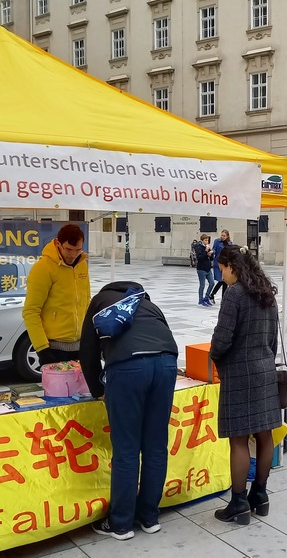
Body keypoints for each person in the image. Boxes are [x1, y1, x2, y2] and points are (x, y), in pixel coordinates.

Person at [79, 281, 178, 541]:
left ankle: (121, 523)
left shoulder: (100, 302)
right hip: (166, 364)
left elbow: (87, 352)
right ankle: (149, 518)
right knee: (156, 446)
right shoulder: (147, 302)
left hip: (128, 368)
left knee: (127, 449)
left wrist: (97, 390)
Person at [209, 245, 282, 525]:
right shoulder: (266, 293)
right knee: (265, 435)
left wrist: (216, 356)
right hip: (265, 369)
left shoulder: (234, 294)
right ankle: (260, 495)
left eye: (222, 269)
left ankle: (238, 502)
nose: (221, 275)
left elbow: (221, 339)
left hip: (240, 373)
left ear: (232, 267)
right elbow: (273, 338)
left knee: (238, 439)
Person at [23, 223, 90, 366]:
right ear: (59, 244)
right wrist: (42, 349)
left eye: (78, 250)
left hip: (80, 346)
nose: (73, 255)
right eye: (69, 249)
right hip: (53, 348)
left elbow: (86, 301)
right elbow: (30, 311)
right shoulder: (43, 268)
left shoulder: (82, 265)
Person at [208, 229, 232, 302]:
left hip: (226, 264)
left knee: (225, 281)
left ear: (227, 236)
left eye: (224, 236)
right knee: (222, 280)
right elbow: (214, 249)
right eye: (222, 235)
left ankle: (215, 295)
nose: (222, 237)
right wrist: (212, 251)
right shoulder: (217, 241)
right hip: (218, 263)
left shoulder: (230, 243)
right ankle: (215, 295)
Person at [194, 234, 215, 307]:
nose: (207, 242)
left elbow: (211, 258)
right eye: (205, 240)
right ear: (202, 240)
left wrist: (211, 254)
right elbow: (200, 257)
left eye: (207, 240)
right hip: (201, 268)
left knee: (212, 283)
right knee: (202, 285)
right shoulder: (198, 247)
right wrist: (206, 251)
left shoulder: (207, 247)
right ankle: (200, 300)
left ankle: (206, 297)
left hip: (208, 268)